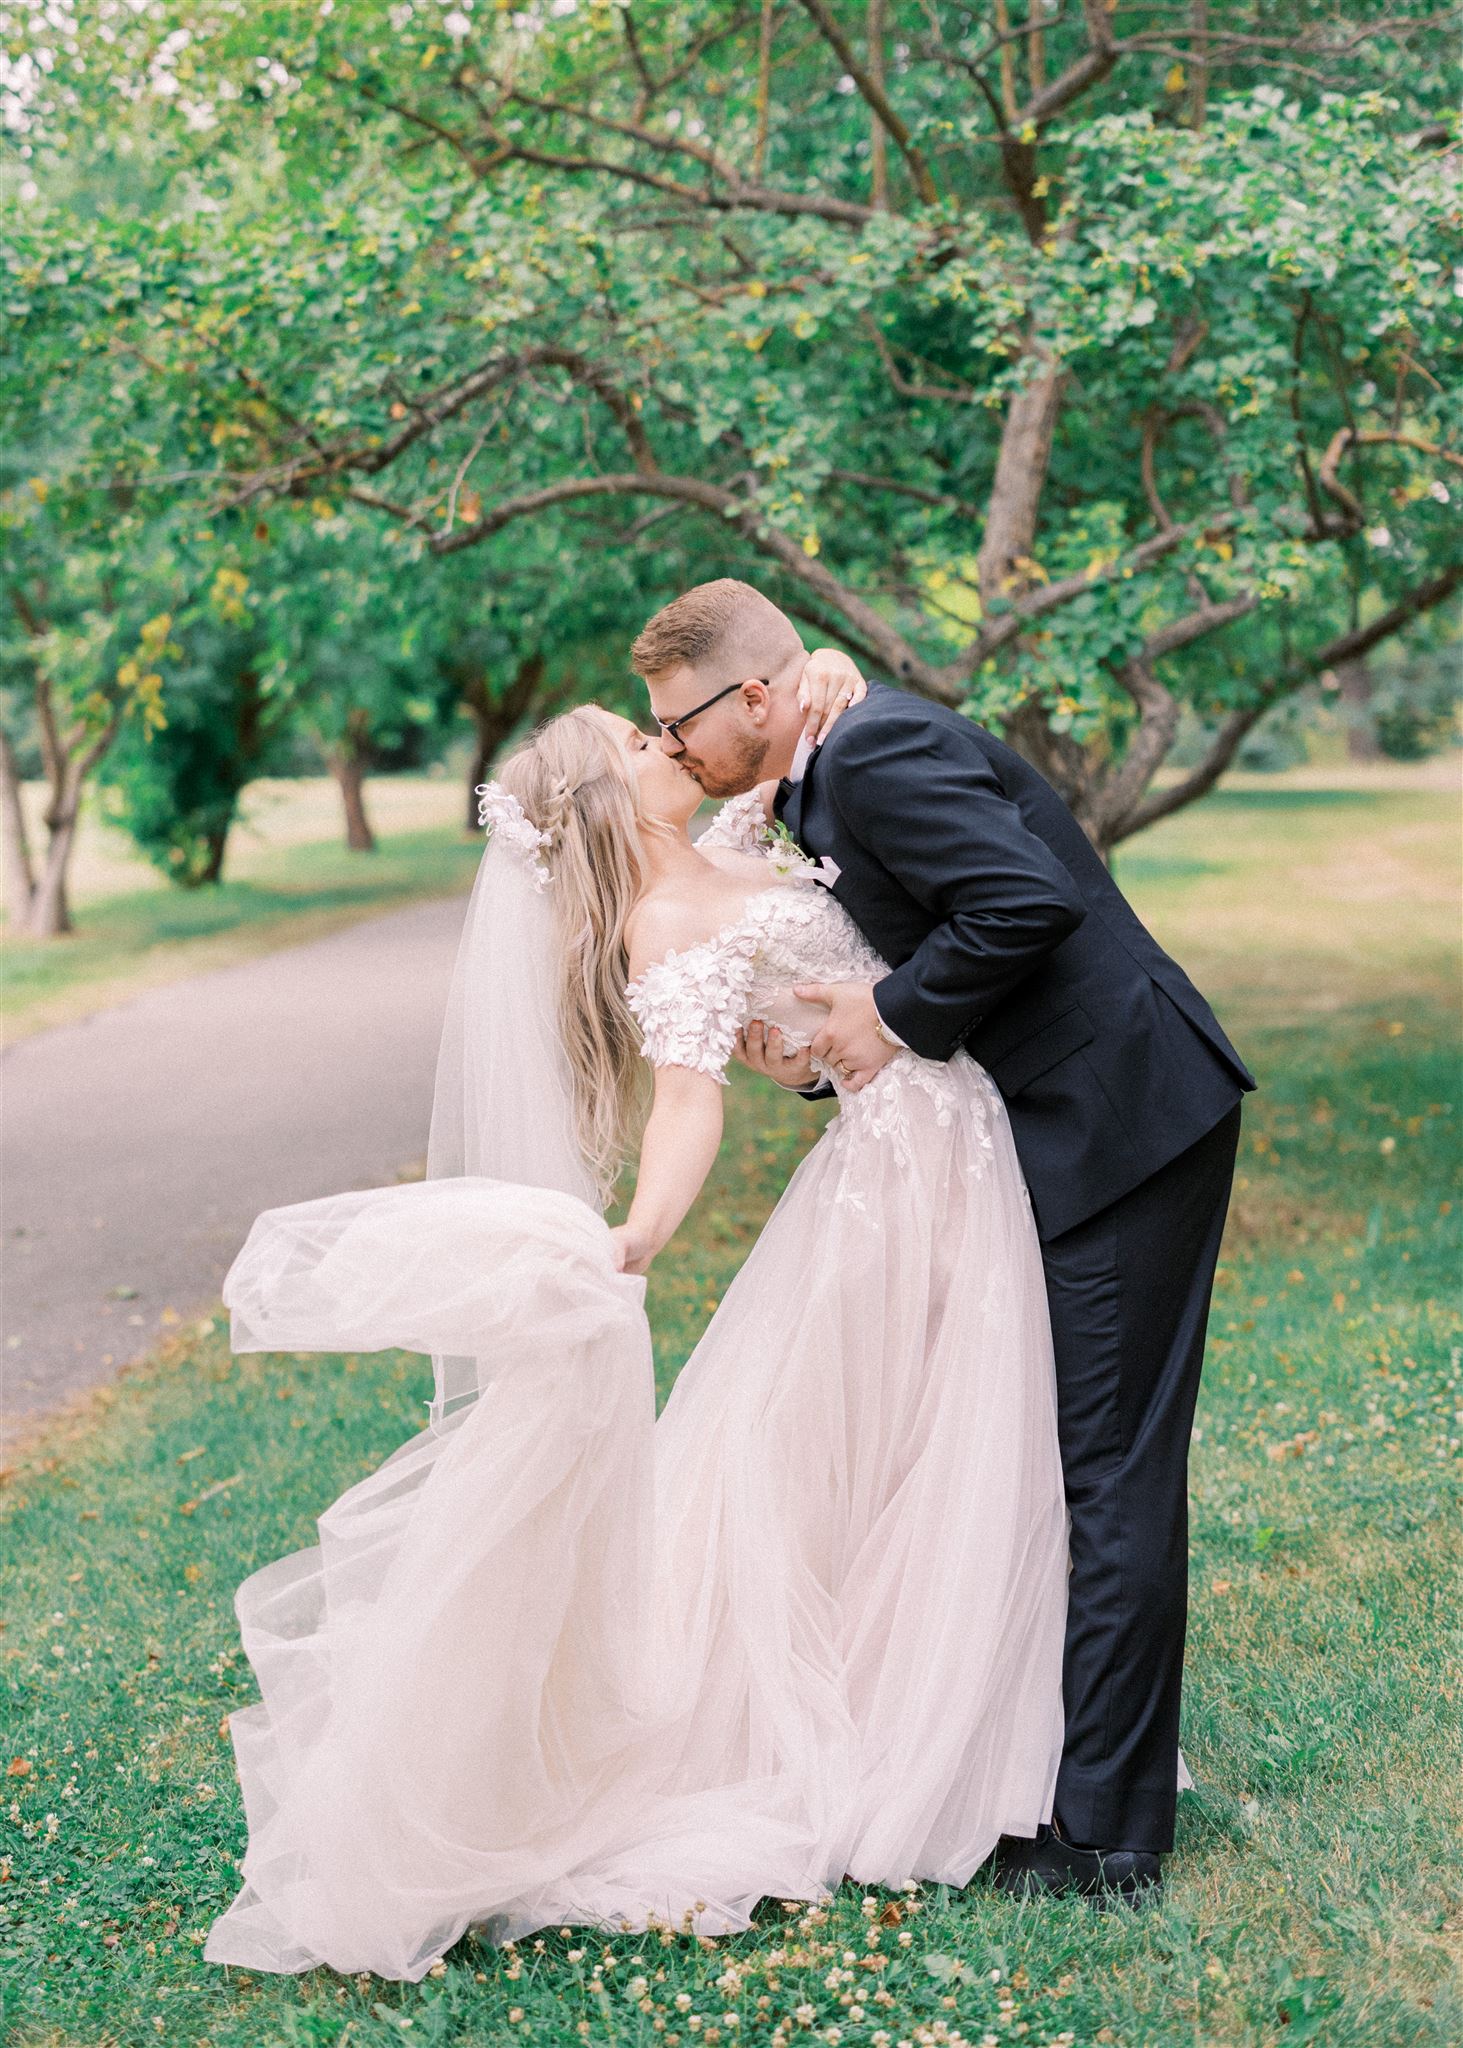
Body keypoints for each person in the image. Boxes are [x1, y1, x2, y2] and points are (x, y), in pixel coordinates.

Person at [204, 661, 1069, 1983]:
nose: (666, 736)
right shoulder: (664, 924)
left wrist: (828, 672)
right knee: (889, 1449)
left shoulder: (735, 833)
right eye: (638, 735)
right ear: (612, 793)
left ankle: (973, 1713)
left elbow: (797, 753)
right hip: (900, 1171)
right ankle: (916, 1733)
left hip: (944, 1127)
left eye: (664, 718)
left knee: (923, 1448)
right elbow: (688, 1099)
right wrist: (642, 1238)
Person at [632, 578, 1255, 1903]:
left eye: (680, 724)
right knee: (1058, 1456)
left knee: (1112, 1474)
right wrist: (832, 1047)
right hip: (1047, 1124)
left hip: (1126, 1116)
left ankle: (1109, 1839)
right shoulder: (814, 770)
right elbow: (911, 930)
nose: (674, 751)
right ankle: (1059, 1783)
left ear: (755, 691)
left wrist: (892, 1017)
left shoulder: (873, 747)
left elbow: (1023, 902)